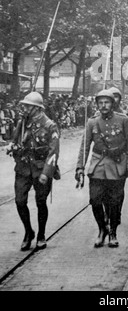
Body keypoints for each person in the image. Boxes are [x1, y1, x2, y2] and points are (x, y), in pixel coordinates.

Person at [75, 89, 128, 248]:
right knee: (95, 200)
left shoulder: (123, 120)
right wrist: (79, 167)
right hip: (98, 166)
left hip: (117, 166)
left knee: (115, 202)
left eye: (107, 102)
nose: (103, 106)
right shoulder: (92, 122)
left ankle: (113, 233)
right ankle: (102, 229)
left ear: (113, 103)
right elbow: (85, 146)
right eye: (100, 103)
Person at [7, 91, 60, 251]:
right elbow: (15, 139)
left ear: (37, 108)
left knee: (40, 202)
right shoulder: (22, 123)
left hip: (40, 169)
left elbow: (54, 152)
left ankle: (41, 235)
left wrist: (46, 172)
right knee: (19, 201)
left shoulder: (50, 125)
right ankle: (29, 231)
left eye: (27, 106)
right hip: (23, 168)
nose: (23, 108)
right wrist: (11, 145)